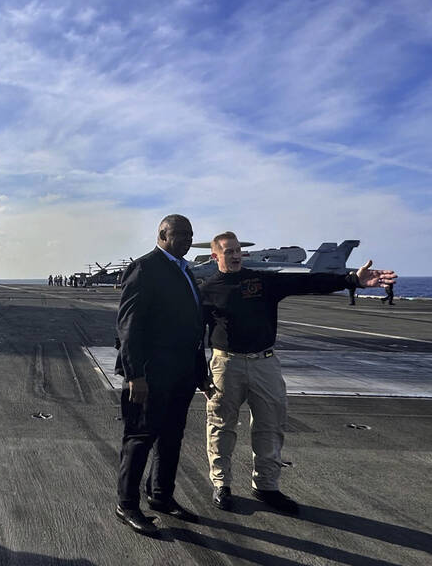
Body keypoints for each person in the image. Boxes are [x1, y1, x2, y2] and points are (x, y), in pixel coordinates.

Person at [200, 231, 397, 515]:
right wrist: (198, 372)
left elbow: (307, 281)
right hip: (225, 365)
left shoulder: (262, 280)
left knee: (270, 425)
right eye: (228, 251)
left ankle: (266, 486)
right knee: (220, 426)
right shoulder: (208, 289)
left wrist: (352, 279)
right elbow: (196, 332)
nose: (235, 255)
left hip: (264, 363)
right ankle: (222, 485)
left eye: (237, 251)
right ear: (215, 256)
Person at [114, 214, 211, 536]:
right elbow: (129, 326)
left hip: (181, 374)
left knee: (172, 438)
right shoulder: (146, 268)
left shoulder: (184, 271)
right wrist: (134, 375)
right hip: (151, 374)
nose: (186, 239)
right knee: (140, 439)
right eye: (180, 234)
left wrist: (200, 372)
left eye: (190, 234)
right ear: (162, 234)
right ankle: (126, 504)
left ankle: (161, 496)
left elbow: (193, 327)